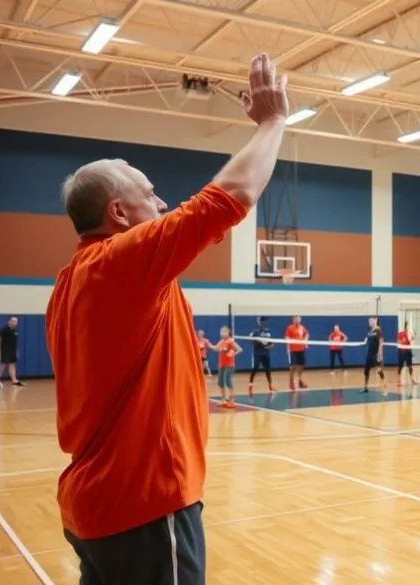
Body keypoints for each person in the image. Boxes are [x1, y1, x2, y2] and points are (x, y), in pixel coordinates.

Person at [45, 53, 289, 583]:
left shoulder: (70, 282)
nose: (162, 202)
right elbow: (232, 196)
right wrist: (273, 121)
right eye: (149, 193)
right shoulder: (119, 264)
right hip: (146, 505)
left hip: (97, 508)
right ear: (119, 213)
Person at [213, 326, 242, 408]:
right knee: (220, 381)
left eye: (224, 332)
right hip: (221, 364)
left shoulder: (231, 341)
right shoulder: (221, 342)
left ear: (228, 333)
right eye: (221, 332)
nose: (222, 333)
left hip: (229, 365)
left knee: (228, 380)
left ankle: (232, 400)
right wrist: (207, 344)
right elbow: (215, 348)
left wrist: (234, 354)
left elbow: (239, 349)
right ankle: (223, 399)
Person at [0, 316, 26, 388]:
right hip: (4, 350)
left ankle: (14, 380)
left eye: (16, 321)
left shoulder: (15, 331)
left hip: (12, 351)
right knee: (2, 364)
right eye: (13, 321)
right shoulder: (4, 330)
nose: (14, 323)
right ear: (9, 321)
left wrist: (16, 351)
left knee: (12, 364)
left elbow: (15, 343)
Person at [248, 317, 274, 396]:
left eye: (265, 321)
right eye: (262, 321)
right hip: (258, 353)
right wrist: (256, 342)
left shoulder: (268, 331)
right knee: (255, 368)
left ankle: (270, 385)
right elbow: (250, 339)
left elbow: (272, 343)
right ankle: (250, 385)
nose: (264, 322)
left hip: (266, 353)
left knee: (267, 369)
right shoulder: (256, 331)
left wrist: (271, 346)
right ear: (260, 322)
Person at [360, 317, 385, 393]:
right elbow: (367, 337)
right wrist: (365, 339)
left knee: (379, 371)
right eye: (369, 321)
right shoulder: (370, 330)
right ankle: (365, 387)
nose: (369, 322)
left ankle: (385, 388)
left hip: (375, 354)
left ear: (375, 321)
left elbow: (381, 342)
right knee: (366, 371)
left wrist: (380, 354)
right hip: (369, 354)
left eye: (371, 321)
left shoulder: (378, 330)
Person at [284, 315, 309, 390]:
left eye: (298, 318)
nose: (297, 320)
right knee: (293, 367)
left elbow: (307, 334)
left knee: (301, 366)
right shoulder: (289, 328)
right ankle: (291, 383)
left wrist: (305, 342)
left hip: (301, 349)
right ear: (293, 319)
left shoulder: (302, 327)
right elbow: (287, 337)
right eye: (295, 318)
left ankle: (299, 381)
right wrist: (288, 347)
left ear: (300, 319)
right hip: (293, 350)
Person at [395, 322, 417, 386]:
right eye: (408, 326)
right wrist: (404, 340)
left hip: (408, 351)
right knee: (400, 367)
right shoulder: (400, 333)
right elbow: (398, 342)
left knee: (410, 366)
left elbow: (412, 339)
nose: (409, 327)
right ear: (405, 326)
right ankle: (399, 380)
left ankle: (412, 379)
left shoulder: (410, 334)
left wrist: (412, 336)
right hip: (402, 352)